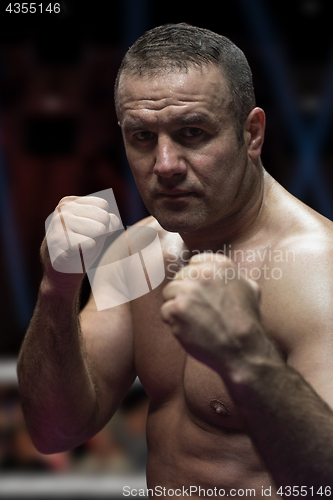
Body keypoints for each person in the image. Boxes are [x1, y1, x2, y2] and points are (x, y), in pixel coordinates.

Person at [17, 23, 333, 498]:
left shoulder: (318, 270)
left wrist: (246, 359)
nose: (165, 164)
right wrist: (56, 289)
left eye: (192, 132)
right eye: (143, 136)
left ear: (252, 133)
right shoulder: (141, 253)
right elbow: (55, 430)